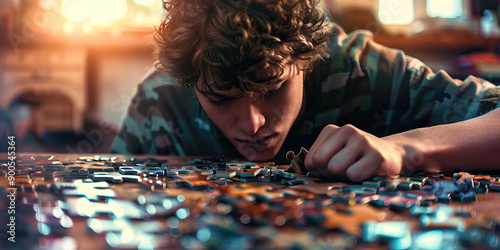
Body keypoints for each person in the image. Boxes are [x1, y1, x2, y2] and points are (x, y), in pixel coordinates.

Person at [111, 0, 500, 181]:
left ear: (308, 56)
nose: (252, 123)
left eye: (273, 87)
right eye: (220, 99)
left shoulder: (359, 67)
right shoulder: (160, 97)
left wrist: (407, 149)